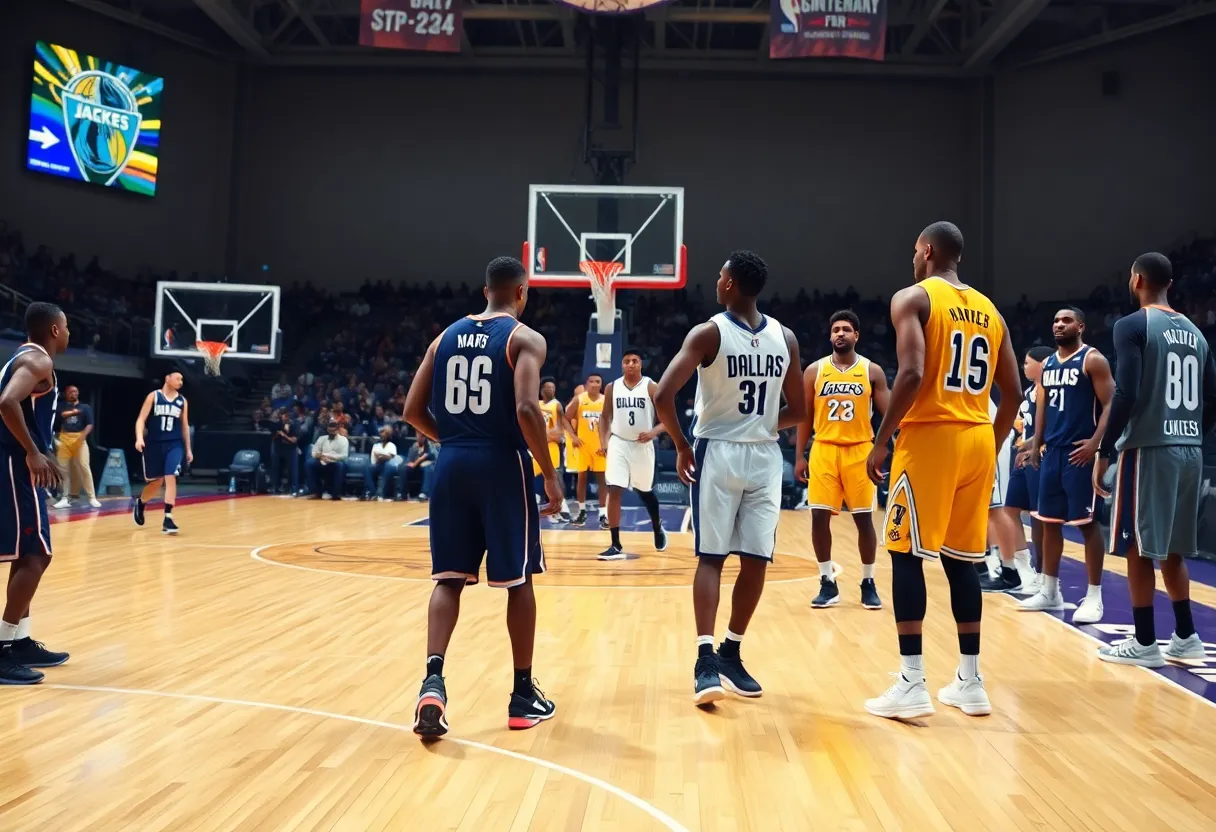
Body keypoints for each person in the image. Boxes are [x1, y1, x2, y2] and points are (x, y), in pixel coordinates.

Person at [864, 222, 1021, 720]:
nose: (913, 258)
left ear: (928, 251)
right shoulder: (992, 311)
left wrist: (882, 439)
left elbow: (909, 373)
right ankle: (970, 682)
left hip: (931, 436)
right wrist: (988, 445)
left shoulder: (912, 297)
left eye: (915, 250)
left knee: (905, 554)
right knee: (961, 560)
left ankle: (912, 682)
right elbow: (1013, 394)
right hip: (978, 437)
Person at [404, 255, 562, 738]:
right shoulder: (524, 338)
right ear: (521, 293)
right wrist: (550, 474)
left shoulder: (443, 337)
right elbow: (526, 408)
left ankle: (433, 682)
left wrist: (452, 440)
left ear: (484, 289)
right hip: (500, 464)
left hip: (450, 463)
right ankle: (521, 696)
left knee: (448, 579)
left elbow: (412, 410)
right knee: (519, 580)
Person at [654, 250, 805, 706]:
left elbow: (662, 394)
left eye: (720, 275)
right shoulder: (788, 337)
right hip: (760, 454)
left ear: (730, 285)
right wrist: (757, 426)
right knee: (744, 559)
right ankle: (707, 656)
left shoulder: (708, 332)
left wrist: (681, 445)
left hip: (718, 451)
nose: (716, 281)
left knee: (724, 559)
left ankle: (725, 655)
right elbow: (798, 411)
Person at [1093, 253, 1216, 666]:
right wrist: (1192, 431)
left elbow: (1125, 392)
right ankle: (1186, 636)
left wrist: (1104, 449)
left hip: (1149, 448)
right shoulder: (1197, 333)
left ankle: (1145, 642)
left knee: (1137, 546)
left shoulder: (1133, 325)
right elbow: (1212, 398)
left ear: (1138, 279)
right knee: (1174, 548)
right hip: (1190, 450)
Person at [1019, 308, 1115, 624]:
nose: (1059, 324)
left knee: (1087, 524)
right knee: (1047, 521)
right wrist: (1035, 443)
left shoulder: (1093, 360)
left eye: (1066, 320)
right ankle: (1050, 591)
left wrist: (1096, 444)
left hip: (1080, 453)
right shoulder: (1047, 365)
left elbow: (1110, 403)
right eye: (1056, 320)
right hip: (1053, 452)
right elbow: (1042, 406)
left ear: (1081, 326)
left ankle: (1094, 596)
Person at [794, 310, 890, 610]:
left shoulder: (872, 371)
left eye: (846, 329)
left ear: (856, 336)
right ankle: (827, 581)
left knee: (863, 520)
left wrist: (883, 447)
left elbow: (888, 414)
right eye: (835, 329)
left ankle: (868, 581)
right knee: (819, 517)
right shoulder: (814, 371)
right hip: (823, 448)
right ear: (829, 335)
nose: (840, 334)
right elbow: (804, 417)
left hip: (860, 450)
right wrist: (799, 455)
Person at [0, 302, 71, 684]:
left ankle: (21, 641)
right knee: (38, 556)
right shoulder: (38, 362)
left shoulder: (23, 356)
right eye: (68, 327)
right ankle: (2, 647)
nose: (69, 332)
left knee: (27, 553)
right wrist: (31, 452)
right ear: (56, 330)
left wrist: (41, 450)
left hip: (18, 464)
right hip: (14, 466)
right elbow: (7, 402)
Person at [981, 347, 1052, 593]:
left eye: (1027, 363)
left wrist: (1032, 446)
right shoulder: (1028, 392)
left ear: (1043, 364)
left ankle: (1044, 575)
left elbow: (1050, 426)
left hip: (1041, 457)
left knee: (1039, 516)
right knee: (1010, 511)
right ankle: (1024, 569)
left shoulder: (1050, 390)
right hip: (1023, 456)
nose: (1023, 367)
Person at [596, 350, 668, 561]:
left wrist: (653, 432)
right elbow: (604, 417)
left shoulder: (651, 386)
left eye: (635, 361)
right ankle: (615, 544)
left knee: (645, 492)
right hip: (618, 442)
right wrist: (604, 441)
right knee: (614, 489)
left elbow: (666, 420)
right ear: (621, 365)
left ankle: (657, 526)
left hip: (641, 445)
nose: (630, 364)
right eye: (626, 361)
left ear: (641, 364)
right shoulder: (612, 387)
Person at [133, 371, 193, 535]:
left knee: (171, 475)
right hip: (154, 444)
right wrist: (139, 438)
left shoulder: (182, 401)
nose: (181, 381)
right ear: (167, 378)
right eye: (178, 378)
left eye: (182, 379)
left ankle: (168, 517)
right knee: (156, 482)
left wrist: (188, 449)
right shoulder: (153, 396)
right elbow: (141, 419)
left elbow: (184, 426)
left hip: (174, 444)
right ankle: (141, 502)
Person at [565, 373, 608, 528]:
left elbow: (610, 423)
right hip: (583, 445)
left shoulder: (605, 400)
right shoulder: (580, 399)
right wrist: (573, 436)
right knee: (581, 479)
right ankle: (581, 512)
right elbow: (565, 417)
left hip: (599, 447)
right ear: (586, 383)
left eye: (598, 381)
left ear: (601, 384)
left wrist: (606, 443)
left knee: (602, 480)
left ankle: (603, 514)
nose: (595, 384)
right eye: (592, 381)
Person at [52, 384, 101, 509]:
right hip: (64, 438)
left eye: (76, 391)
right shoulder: (61, 406)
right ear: (66, 393)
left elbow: (90, 424)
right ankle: (64, 498)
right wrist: (73, 412)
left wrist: (83, 436)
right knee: (63, 469)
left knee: (84, 467)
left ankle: (92, 497)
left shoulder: (85, 407)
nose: (74, 393)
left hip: (79, 438)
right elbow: (59, 417)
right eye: (71, 392)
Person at [534, 377, 573, 523]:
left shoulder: (556, 405)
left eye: (553, 387)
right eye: (548, 387)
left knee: (553, 477)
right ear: (541, 389)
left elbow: (558, 430)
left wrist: (545, 436)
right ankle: (552, 509)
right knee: (531, 476)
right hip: (535, 445)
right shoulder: (535, 404)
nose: (551, 389)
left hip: (550, 446)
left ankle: (559, 509)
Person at [306, 421, 349, 499]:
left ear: (337, 430)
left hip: (336, 462)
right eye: (330, 431)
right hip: (322, 460)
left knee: (340, 466)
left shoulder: (343, 440)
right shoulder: (322, 438)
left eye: (333, 431)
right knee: (310, 463)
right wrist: (320, 456)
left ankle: (336, 493)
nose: (331, 433)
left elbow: (344, 456)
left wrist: (329, 457)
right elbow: (314, 452)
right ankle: (316, 492)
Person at [269, 409, 300, 495]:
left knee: (293, 469)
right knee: (276, 468)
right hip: (278, 448)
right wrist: (278, 434)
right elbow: (273, 438)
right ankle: (275, 487)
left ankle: (294, 489)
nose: (284, 417)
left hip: (291, 449)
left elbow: (294, 440)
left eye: (286, 415)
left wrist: (284, 435)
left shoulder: (295, 424)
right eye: (282, 415)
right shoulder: (277, 424)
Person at [367, 426, 399, 501]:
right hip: (377, 465)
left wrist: (381, 456)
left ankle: (380, 494)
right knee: (368, 468)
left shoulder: (392, 445)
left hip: (389, 467)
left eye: (385, 433)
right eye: (381, 433)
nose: (382, 435)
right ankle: (372, 492)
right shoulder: (376, 446)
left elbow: (390, 458)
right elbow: (374, 460)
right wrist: (383, 456)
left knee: (387, 465)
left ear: (389, 435)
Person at [402, 433, 434, 499]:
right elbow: (410, 458)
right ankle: (403, 493)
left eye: (421, 436)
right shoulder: (414, 446)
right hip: (416, 467)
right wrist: (410, 463)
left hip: (426, 466)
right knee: (404, 468)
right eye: (417, 436)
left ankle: (424, 493)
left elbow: (428, 455)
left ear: (424, 438)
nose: (418, 438)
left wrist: (415, 463)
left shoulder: (429, 445)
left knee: (427, 468)